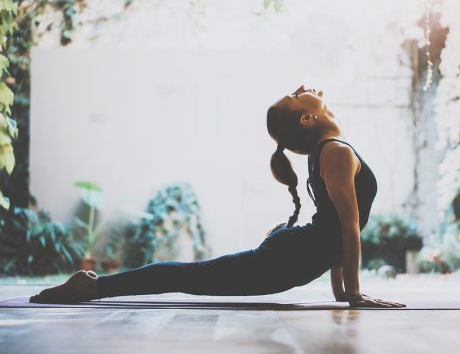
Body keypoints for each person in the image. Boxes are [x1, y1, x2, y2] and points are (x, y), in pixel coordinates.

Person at [30, 86, 405, 308]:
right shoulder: (335, 151)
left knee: (195, 276)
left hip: (295, 256)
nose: (304, 89)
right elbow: (346, 227)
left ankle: (94, 285)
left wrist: (342, 292)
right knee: (193, 276)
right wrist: (352, 293)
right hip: (289, 258)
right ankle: (92, 286)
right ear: (307, 119)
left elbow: (336, 231)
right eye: (296, 94)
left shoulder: (328, 150)